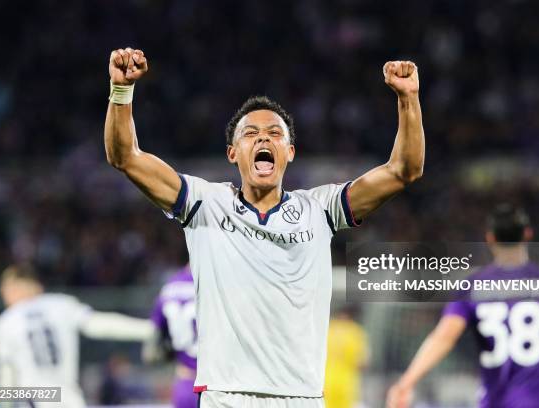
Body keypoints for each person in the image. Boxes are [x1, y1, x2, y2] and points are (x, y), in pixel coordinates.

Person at [104, 46, 424, 407]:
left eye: (275, 133)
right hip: (227, 397)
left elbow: (404, 170)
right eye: (250, 133)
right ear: (232, 152)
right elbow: (125, 156)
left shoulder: (319, 209)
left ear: (289, 152)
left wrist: (408, 98)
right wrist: (121, 92)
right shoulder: (204, 203)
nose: (263, 138)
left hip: (300, 397)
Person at [386, 204, 539, 408]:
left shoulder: (472, 286)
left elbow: (442, 338)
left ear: (490, 238)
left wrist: (406, 383)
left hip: (496, 401)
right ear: (527, 234)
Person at [0, 264, 156, 407]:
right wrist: (149, 329)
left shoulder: (6, 321)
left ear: (14, 287)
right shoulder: (61, 304)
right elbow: (100, 324)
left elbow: (6, 376)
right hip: (69, 398)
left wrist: (4, 404)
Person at [144, 265, 198, 408]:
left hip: (184, 381)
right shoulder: (210, 280)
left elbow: (151, 346)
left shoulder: (170, 286)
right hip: (215, 383)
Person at [324, 304, 370, 408]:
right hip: (346, 384)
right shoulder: (356, 332)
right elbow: (362, 363)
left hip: (326, 380)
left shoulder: (328, 328)